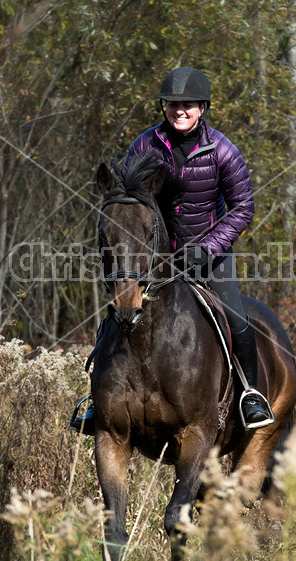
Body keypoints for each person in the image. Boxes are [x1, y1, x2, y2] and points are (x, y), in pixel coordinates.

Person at [70, 67, 270, 435]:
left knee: (238, 320)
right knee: (116, 316)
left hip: (208, 254)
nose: (180, 110)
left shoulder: (223, 150)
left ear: (203, 108)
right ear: (164, 107)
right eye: (173, 104)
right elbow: (129, 202)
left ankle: (250, 397)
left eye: (188, 104)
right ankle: (97, 400)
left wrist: (206, 248)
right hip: (154, 257)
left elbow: (243, 207)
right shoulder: (144, 145)